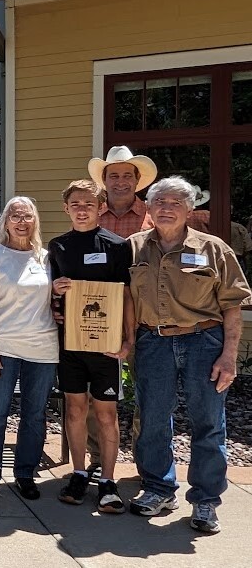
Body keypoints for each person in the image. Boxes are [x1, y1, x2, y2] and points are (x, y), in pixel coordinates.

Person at [127, 176, 251, 533]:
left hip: (204, 343)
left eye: (175, 203)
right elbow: (120, 298)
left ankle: (206, 501)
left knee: (208, 423)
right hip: (153, 342)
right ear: (149, 208)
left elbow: (232, 305)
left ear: (189, 209)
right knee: (151, 419)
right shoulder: (134, 248)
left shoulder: (215, 249)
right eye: (160, 202)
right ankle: (159, 489)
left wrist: (229, 355)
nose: (166, 208)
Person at [48, 180, 133, 514]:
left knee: (106, 413)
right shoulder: (57, 246)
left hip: (107, 346)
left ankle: (109, 482)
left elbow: (126, 297)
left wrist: (128, 340)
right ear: (66, 208)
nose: (81, 209)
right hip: (71, 343)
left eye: (88, 204)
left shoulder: (118, 246)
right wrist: (55, 289)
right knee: (74, 410)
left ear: (100, 207)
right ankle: (79, 473)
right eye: (75, 204)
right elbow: (51, 297)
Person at [0, 196, 59, 502]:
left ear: (35, 221)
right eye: (15, 217)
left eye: (27, 217)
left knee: (34, 415)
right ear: (5, 222)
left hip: (43, 346)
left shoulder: (47, 258)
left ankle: (25, 473)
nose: (22, 222)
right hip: (3, 346)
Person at [89, 146, 158, 480]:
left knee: (147, 392)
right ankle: (97, 459)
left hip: (145, 318)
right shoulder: (91, 216)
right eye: (113, 175)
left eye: (126, 175)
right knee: (94, 392)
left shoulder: (153, 217)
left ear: (137, 181)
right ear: (104, 181)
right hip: (98, 317)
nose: (120, 182)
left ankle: (147, 464)